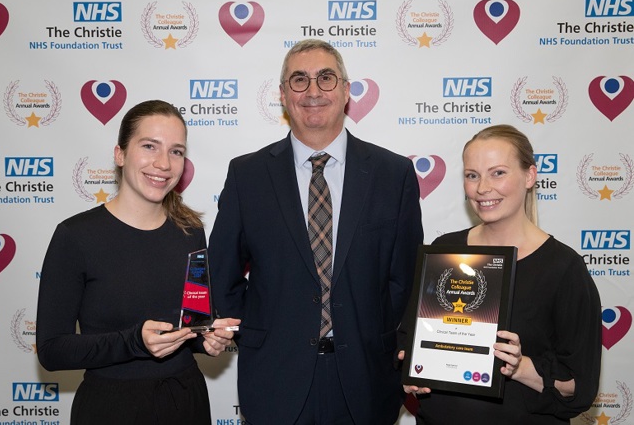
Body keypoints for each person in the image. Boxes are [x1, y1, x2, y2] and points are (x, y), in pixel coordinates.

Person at [208, 38, 424, 425]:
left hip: (366, 380)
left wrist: (373, 337)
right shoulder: (247, 175)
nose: (313, 91)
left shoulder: (393, 175)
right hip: (274, 380)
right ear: (282, 95)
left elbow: (404, 282)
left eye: (326, 78)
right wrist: (263, 332)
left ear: (345, 91)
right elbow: (222, 276)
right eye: (299, 80)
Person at [36, 100, 240, 425]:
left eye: (176, 151)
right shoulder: (75, 236)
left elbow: (193, 322)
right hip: (110, 408)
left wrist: (207, 338)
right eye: (149, 146)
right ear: (120, 154)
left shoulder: (191, 232)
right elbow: (51, 350)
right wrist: (132, 342)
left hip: (186, 401)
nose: (163, 163)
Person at [403, 124, 601, 424]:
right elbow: (409, 337)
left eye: (498, 173)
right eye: (472, 175)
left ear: (529, 176)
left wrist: (521, 367)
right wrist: (412, 369)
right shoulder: (444, 251)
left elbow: (579, 386)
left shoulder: (564, 268)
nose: (483, 188)